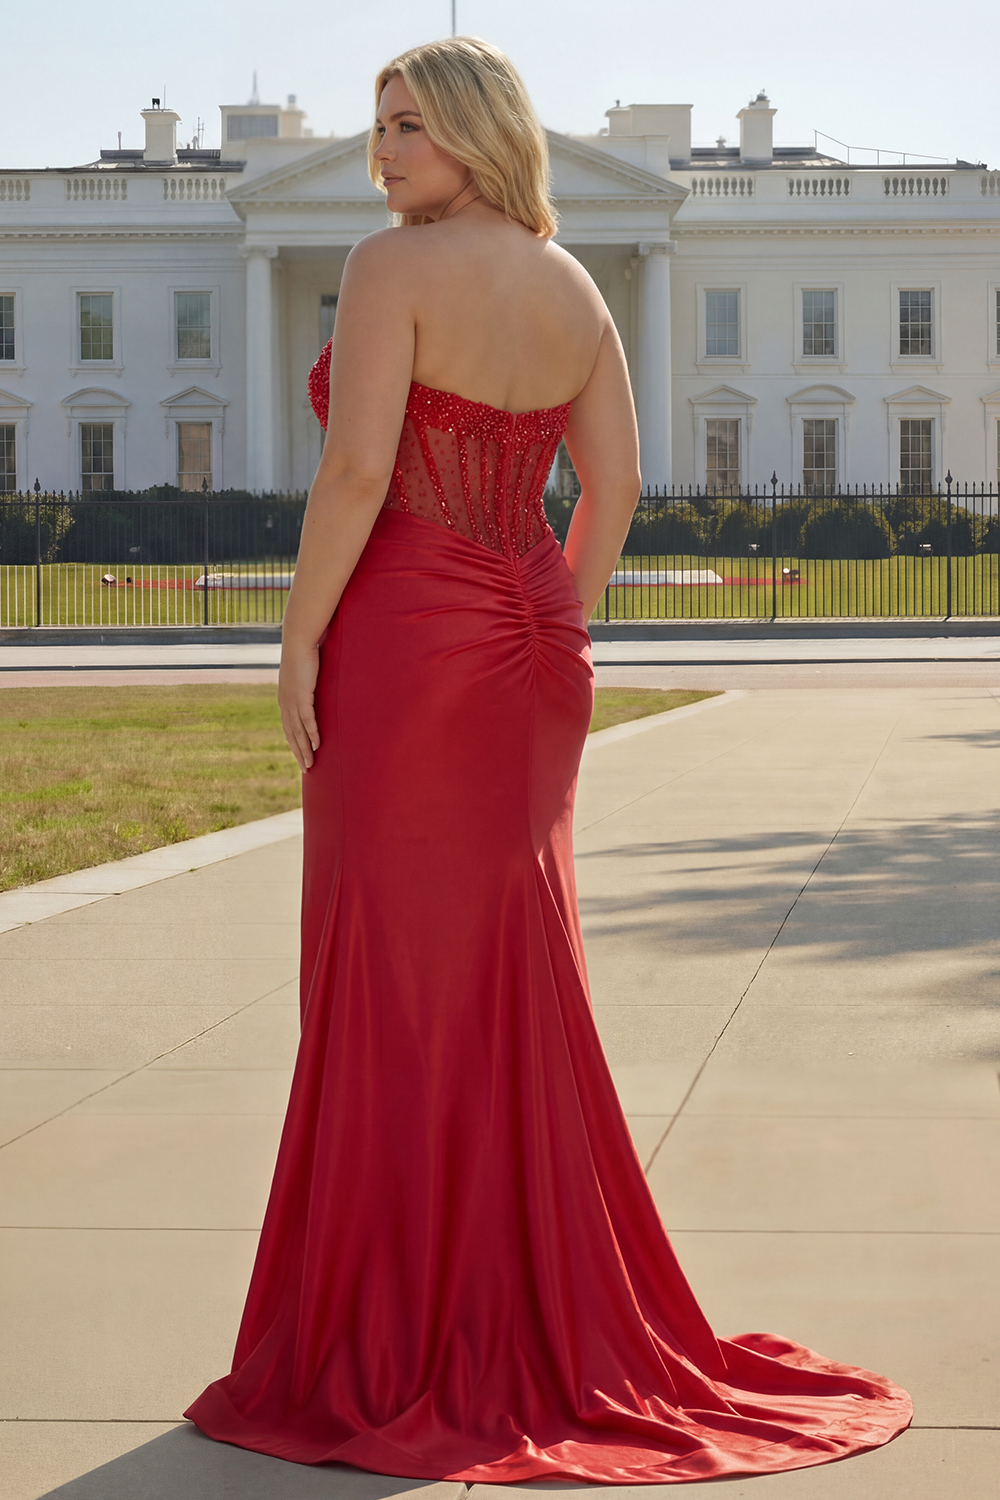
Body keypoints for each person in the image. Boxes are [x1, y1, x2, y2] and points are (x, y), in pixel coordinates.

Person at [186, 37, 911, 1482]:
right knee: (510, 964)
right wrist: (545, 605)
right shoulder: (574, 285)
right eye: (375, 127)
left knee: (393, 972)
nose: (382, 152)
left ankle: (401, 1334)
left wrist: (296, 643)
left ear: (467, 131)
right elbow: (619, 484)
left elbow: (354, 472)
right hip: (531, 644)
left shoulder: (395, 267)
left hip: (410, 639)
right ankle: (528, 1307)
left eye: (406, 126)